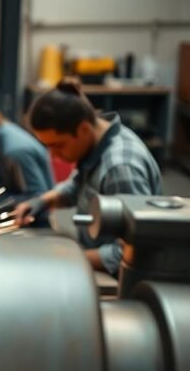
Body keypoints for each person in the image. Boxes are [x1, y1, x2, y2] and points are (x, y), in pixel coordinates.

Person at [13, 77, 162, 275]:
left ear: (83, 129)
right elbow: (77, 186)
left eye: (58, 145)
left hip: (120, 276)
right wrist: (43, 201)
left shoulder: (120, 169)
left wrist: (67, 258)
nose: (54, 156)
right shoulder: (97, 142)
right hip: (91, 252)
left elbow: (134, 251)